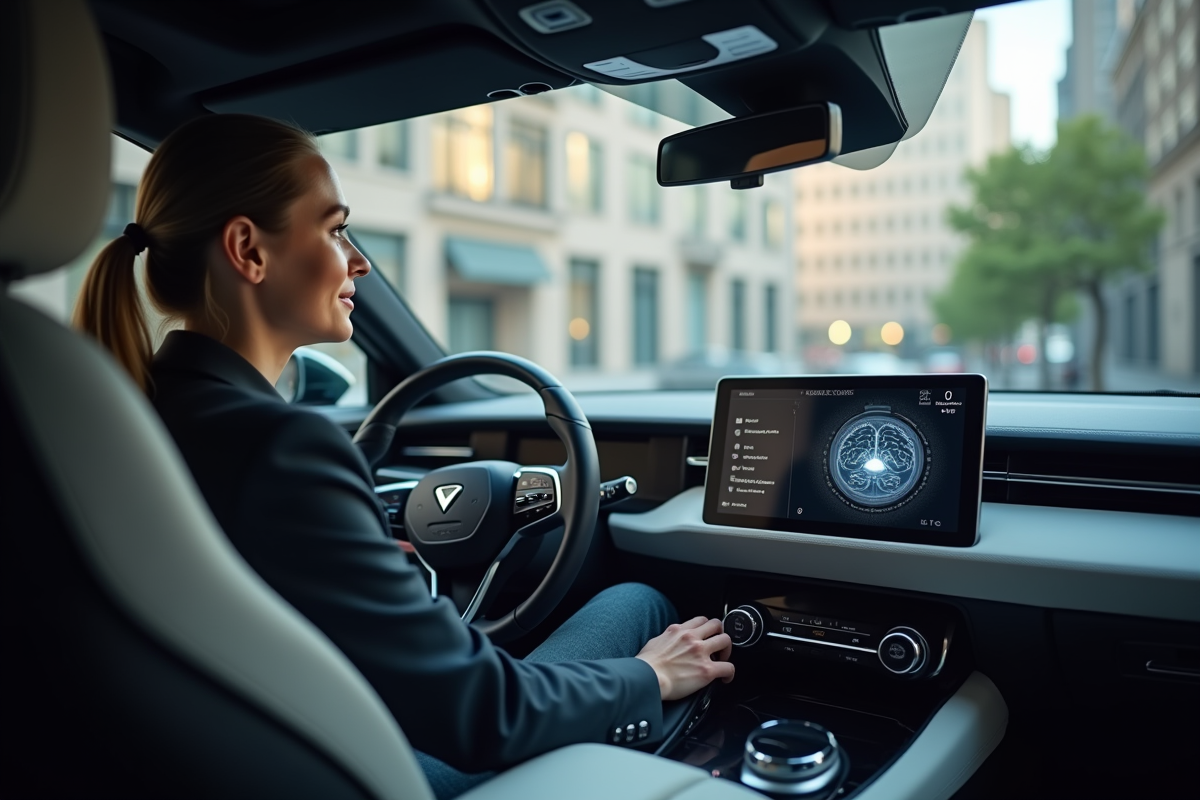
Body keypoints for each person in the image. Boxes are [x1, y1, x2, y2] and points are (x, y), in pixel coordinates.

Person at [72, 114, 734, 798]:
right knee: (643, 606)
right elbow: (485, 712)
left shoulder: (117, 419)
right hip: (353, 772)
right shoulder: (284, 449)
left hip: (212, 761)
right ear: (247, 249)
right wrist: (651, 675)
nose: (357, 260)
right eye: (334, 230)